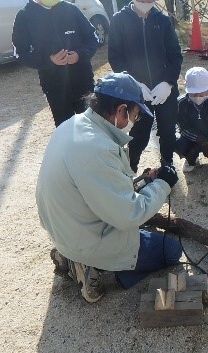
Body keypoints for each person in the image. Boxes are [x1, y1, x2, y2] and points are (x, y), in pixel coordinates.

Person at [37, 71, 182, 303]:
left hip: (63, 229)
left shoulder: (73, 125)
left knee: (146, 231)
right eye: (135, 115)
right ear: (121, 110)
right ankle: (93, 267)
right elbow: (129, 214)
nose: (134, 122)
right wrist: (164, 184)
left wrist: (145, 182)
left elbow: (102, 188)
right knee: (171, 249)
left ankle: (70, 255)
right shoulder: (99, 150)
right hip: (86, 239)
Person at [108, 0, 183, 173]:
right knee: (137, 133)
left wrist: (168, 82)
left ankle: (167, 165)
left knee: (168, 130)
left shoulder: (164, 22)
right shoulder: (119, 21)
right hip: (136, 92)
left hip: (164, 89)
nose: (146, 3)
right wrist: (134, 85)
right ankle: (130, 169)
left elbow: (175, 55)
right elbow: (115, 57)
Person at [12, 0, 99, 127]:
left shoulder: (71, 10)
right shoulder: (25, 16)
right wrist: (48, 60)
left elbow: (92, 37)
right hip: (55, 88)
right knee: (66, 132)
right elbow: (20, 52)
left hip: (84, 84)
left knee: (91, 128)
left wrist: (80, 55)